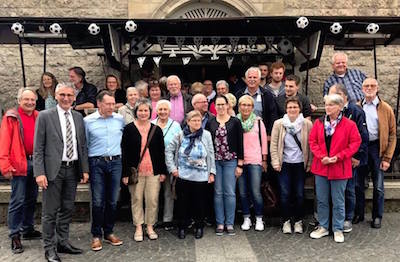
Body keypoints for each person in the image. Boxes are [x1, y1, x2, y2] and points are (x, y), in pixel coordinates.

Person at [33, 82, 89, 261]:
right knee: (50, 212)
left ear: (74, 97)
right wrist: (39, 172)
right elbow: (38, 148)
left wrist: (84, 170)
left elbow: (82, 145)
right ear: (56, 96)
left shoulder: (78, 117)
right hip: (52, 171)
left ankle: (62, 242)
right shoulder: (44, 116)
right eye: (62, 95)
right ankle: (49, 248)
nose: (66, 98)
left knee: (67, 208)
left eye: (69, 95)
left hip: (72, 170)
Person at [309, 94, 361, 243]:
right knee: (322, 200)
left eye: (331, 105)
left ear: (339, 107)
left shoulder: (349, 124)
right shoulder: (319, 123)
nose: (327, 107)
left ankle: (338, 228)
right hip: (322, 166)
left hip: (340, 167)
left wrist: (339, 157)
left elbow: (355, 143)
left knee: (338, 200)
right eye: (326, 104)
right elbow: (313, 142)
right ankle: (323, 227)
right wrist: (321, 156)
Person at [0, 88, 41, 254]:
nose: (30, 102)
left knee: (31, 198)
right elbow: (4, 142)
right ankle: (15, 234)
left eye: (32, 100)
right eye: (26, 100)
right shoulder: (11, 117)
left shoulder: (39, 116)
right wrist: (5, 165)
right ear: (19, 101)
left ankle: (27, 228)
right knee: (17, 200)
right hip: (19, 163)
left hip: (35, 163)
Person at [121, 98, 167, 242]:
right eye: (140, 110)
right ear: (136, 112)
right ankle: (138, 226)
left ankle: (150, 226)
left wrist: (163, 172)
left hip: (153, 171)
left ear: (150, 112)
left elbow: (161, 152)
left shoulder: (156, 129)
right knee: (136, 199)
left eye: (146, 110)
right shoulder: (129, 129)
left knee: (152, 199)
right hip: (135, 172)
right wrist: (125, 173)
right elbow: (125, 152)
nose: (143, 113)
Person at [84, 91, 125, 251]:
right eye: (108, 104)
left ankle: (109, 232)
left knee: (113, 200)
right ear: (99, 104)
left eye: (113, 103)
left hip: (115, 162)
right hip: (96, 163)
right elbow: (84, 145)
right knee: (98, 201)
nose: (111, 107)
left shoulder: (119, 120)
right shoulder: (88, 121)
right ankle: (96, 235)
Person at [165, 110, 216, 239]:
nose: (197, 123)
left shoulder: (206, 135)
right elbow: (169, 151)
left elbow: (210, 154)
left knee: (199, 204)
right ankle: (182, 227)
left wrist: (211, 172)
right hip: (183, 176)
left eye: (199, 120)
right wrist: (172, 168)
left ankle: (199, 227)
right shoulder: (180, 135)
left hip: (201, 177)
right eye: (194, 120)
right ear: (188, 122)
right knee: (183, 203)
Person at [328, 83, 369, 232]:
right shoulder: (331, 111)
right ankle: (336, 217)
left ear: (343, 96)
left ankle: (347, 218)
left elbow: (363, 136)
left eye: (333, 94)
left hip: (350, 158)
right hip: (335, 159)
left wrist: (357, 156)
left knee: (349, 188)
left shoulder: (355, 111)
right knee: (336, 190)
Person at [270, 96, 313, 234]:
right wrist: (275, 161)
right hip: (284, 164)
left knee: (300, 194)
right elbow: (274, 144)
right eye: (289, 107)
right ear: (286, 109)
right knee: (284, 193)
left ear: (299, 108)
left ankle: (299, 220)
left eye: (295, 107)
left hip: (300, 163)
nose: (292, 109)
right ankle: (286, 220)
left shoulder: (307, 124)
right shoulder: (279, 124)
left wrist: (310, 163)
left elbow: (311, 145)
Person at [359, 78, 396, 228]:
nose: (369, 88)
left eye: (372, 86)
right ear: (362, 89)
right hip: (361, 148)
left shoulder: (385, 108)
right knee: (358, 184)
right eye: (366, 86)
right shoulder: (357, 106)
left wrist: (387, 157)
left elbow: (393, 134)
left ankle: (377, 217)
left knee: (379, 186)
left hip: (377, 148)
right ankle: (359, 214)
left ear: (377, 88)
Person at [208, 95, 244, 236]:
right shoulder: (211, 122)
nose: (221, 107)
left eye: (223, 104)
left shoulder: (235, 122)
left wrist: (240, 164)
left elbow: (240, 143)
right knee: (218, 192)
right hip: (215, 161)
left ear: (228, 105)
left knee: (229, 192)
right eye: (218, 104)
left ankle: (229, 223)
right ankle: (220, 222)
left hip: (231, 161)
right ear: (215, 106)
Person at [236, 95, 267, 232]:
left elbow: (264, 142)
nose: (246, 108)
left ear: (253, 107)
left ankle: (259, 218)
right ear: (239, 107)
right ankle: (246, 217)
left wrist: (264, 160)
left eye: (249, 105)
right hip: (239, 161)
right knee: (242, 192)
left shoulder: (258, 122)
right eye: (243, 105)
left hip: (255, 160)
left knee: (255, 191)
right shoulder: (235, 122)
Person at [152, 99, 182, 230]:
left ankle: (167, 220)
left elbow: (180, 145)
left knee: (169, 192)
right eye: (160, 109)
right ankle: (152, 220)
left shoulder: (175, 125)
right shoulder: (151, 124)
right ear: (156, 110)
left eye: (165, 109)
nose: (163, 112)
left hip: (170, 163)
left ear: (169, 111)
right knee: (153, 193)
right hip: (154, 163)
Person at [235, 67, 278, 137]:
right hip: (242, 133)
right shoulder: (239, 94)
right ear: (246, 79)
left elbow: (273, 115)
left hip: (262, 133)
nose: (252, 80)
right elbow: (235, 114)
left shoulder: (267, 94)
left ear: (259, 79)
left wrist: (270, 134)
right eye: (250, 77)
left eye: (255, 77)